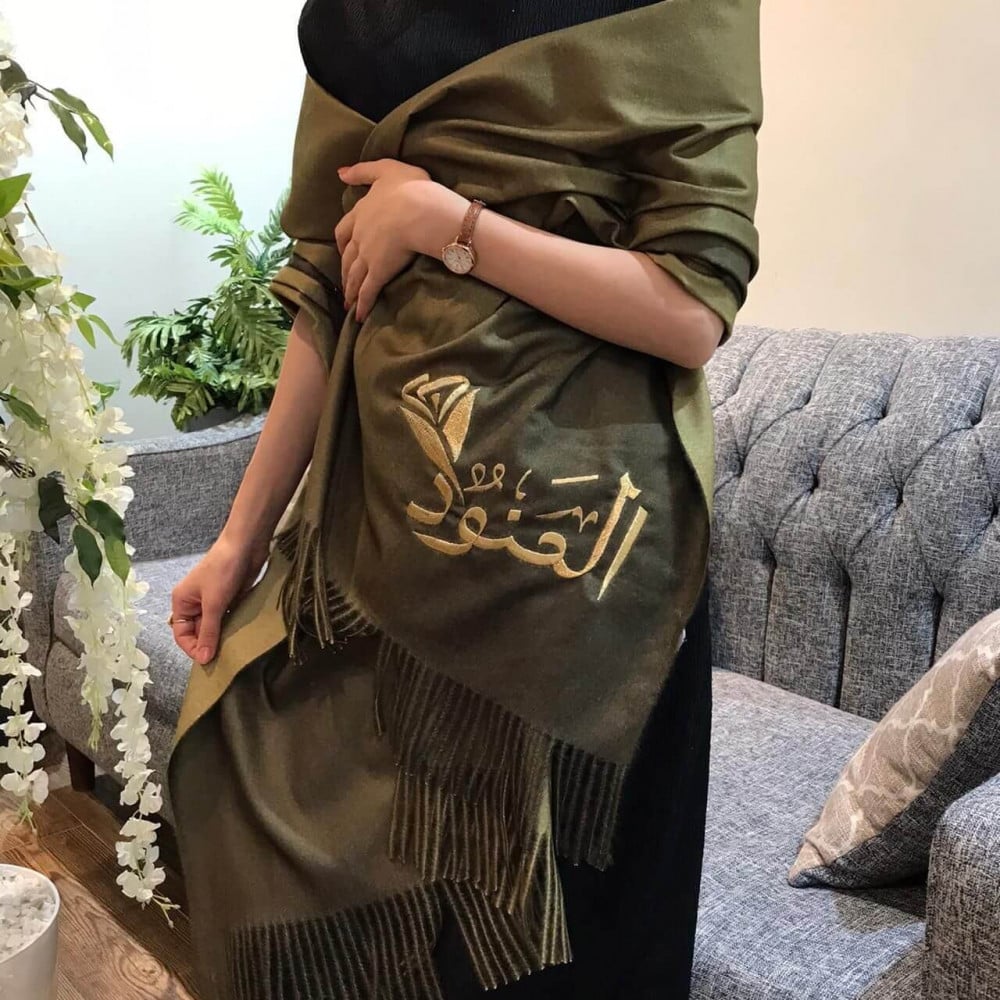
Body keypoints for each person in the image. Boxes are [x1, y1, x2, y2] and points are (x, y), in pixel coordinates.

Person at [167, 2, 761, 997]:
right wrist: (239, 540)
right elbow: (327, 286)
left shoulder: (670, 14)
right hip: (378, 549)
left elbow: (692, 308)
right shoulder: (356, 20)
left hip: (583, 578)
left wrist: (451, 226)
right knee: (370, 918)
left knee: (570, 951)